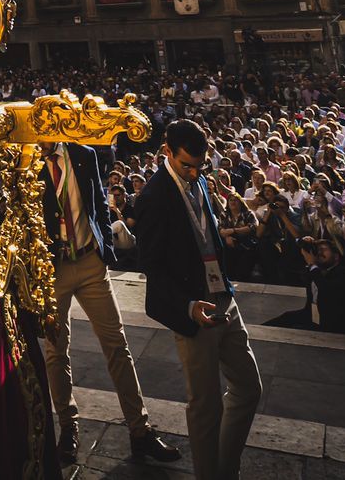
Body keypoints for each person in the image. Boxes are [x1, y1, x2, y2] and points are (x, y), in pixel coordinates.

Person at [37, 142, 181, 467]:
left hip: (90, 262)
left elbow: (99, 202)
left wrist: (105, 248)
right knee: (56, 351)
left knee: (117, 346)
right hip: (52, 270)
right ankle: (68, 429)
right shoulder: (27, 161)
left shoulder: (83, 155)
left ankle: (140, 430)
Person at [132, 119, 261, 480]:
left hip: (222, 294)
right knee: (205, 407)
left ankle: (225, 468)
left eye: (198, 165)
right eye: (185, 164)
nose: (192, 171)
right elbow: (152, 267)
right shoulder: (152, 197)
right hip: (192, 305)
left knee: (249, 387)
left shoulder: (199, 179)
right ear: (166, 152)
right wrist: (188, 306)